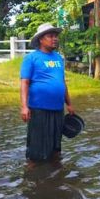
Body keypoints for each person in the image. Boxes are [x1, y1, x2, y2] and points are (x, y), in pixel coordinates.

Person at [20, 23, 74, 163]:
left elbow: (62, 81)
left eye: (56, 36)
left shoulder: (58, 58)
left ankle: (55, 174)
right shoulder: (31, 58)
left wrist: (69, 103)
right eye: (50, 36)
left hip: (57, 109)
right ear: (41, 40)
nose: (54, 38)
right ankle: (32, 174)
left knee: (56, 146)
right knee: (36, 146)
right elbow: (24, 83)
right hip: (39, 109)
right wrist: (24, 106)